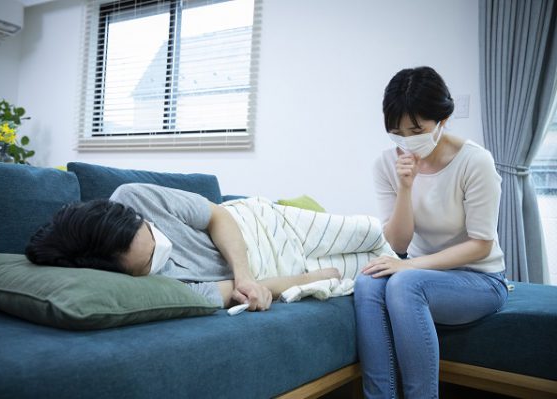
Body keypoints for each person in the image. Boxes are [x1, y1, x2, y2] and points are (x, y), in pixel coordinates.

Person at [354, 66, 510, 398]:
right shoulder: (386, 164)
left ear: (442, 121)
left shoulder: (475, 162)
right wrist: (406, 187)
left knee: (404, 284)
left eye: (417, 129)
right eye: (397, 131)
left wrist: (410, 266)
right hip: (419, 272)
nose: (407, 141)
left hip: (479, 279)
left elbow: (481, 245)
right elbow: (397, 244)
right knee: (367, 281)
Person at [26, 182, 394, 311]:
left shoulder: (133, 196)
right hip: (276, 265)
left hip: (259, 225)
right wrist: (307, 277)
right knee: (373, 272)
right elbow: (239, 293)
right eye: (148, 261)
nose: (161, 249)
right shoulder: (154, 293)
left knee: (372, 234)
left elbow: (217, 216)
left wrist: (244, 272)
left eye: (151, 234)